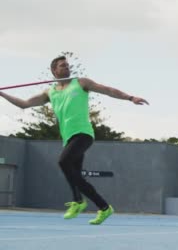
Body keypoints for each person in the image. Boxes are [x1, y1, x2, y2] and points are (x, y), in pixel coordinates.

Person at [0, 56, 149, 225]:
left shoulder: (81, 83)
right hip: (68, 137)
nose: (67, 68)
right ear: (54, 71)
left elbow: (107, 90)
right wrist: (2, 93)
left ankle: (82, 202)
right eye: (63, 66)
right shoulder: (50, 92)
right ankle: (99, 206)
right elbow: (24, 104)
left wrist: (130, 98)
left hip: (83, 133)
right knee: (74, 173)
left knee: (63, 162)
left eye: (68, 66)